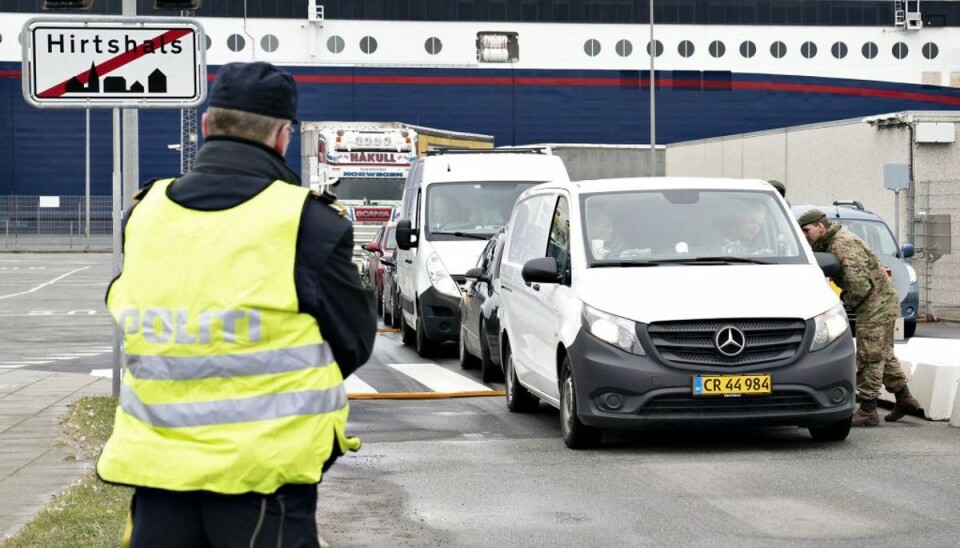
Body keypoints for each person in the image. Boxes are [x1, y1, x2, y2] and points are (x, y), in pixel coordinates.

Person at [97, 62, 378, 547]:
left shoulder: (144, 214)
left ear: (207, 126)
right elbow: (353, 342)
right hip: (262, 485)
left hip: (158, 477)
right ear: (283, 137)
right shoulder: (307, 222)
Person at [798, 209, 920, 427]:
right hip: (879, 302)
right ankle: (905, 398)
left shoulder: (842, 244)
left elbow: (859, 286)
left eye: (806, 230)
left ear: (820, 227)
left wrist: (844, 298)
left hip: (874, 305)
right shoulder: (830, 242)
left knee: (869, 355)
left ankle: (868, 410)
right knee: (883, 354)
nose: (805, 235)